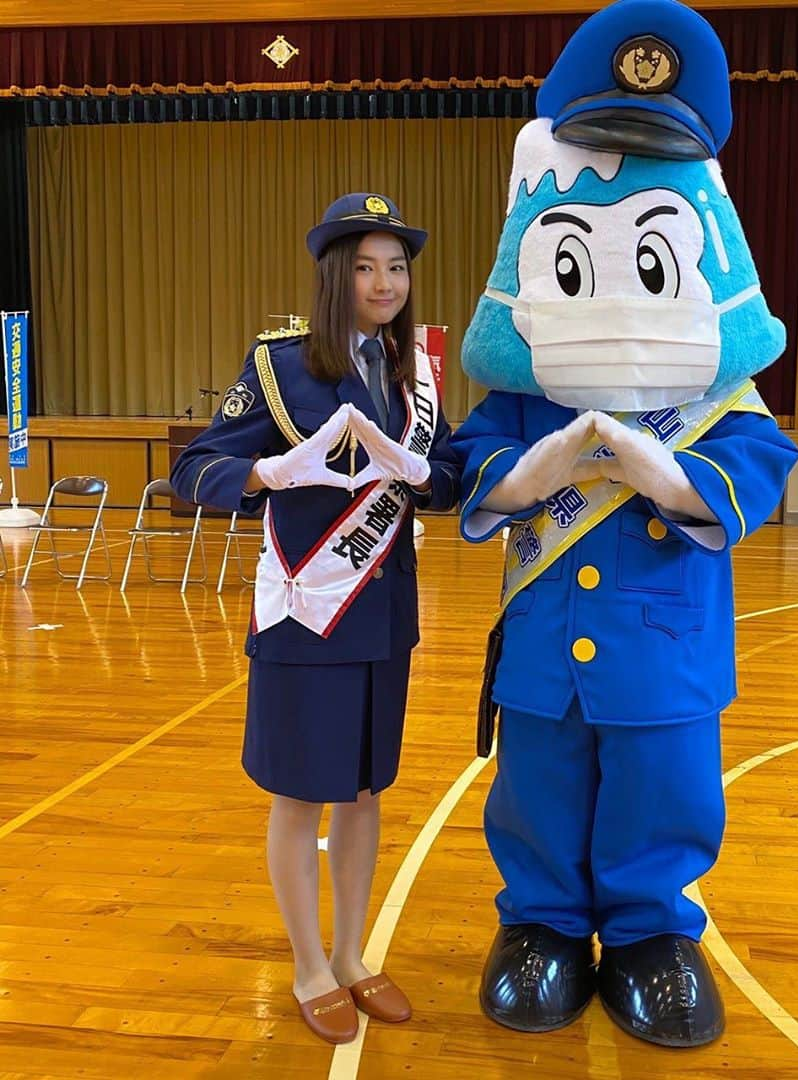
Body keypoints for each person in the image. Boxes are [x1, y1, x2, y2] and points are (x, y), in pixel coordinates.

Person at [450, 0, 798, 1049]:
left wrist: (672, 473)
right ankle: (542, 928)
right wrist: (528, 467)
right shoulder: (534, 385)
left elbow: (757, 465)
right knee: (540, 793)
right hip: (550, 654)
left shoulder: (715, 392)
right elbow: (472, 462)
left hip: (668, 654)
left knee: (663, 789)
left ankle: (653, 934)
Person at [171, 193, 461, 1045]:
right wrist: (267, 473)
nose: (385, 282)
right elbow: (195, 469)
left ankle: (351, 955)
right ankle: (305, 965)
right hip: (305, 614)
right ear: (337, 275)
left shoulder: (418, 376)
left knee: (367, 791)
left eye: (398, 266)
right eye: (367, 266)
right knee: (302, 795)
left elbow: (445, 478)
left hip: (383, 614)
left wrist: (423, 477)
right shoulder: (281, 367)